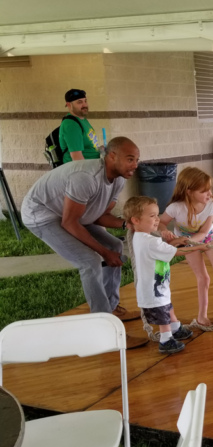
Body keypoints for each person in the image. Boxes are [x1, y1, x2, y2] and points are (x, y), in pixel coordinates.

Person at [20, 137, 146, 348]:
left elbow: (98, 215)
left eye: (137, 160)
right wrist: (104, 254)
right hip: (42, 215)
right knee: (89, 261)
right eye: (130, 159)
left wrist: (128, 225)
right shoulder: (86, 177)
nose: (135, 165)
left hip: (72, 215)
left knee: (115, 245)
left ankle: (111, 307)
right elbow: (70, 222)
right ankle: (103, 327)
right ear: (112, 156)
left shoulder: (119, 180)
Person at [160, 167, 213, 334]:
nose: (209, 194)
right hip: (186, 239)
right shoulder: (176, 207)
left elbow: (204, 232)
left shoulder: (211, 204)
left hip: (206, 237)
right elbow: (162, 222)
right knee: (203, 277)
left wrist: (190, 242)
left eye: (209, 189)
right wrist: (165, 231)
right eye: (204, 191)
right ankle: (202, 315)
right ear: (189, 191)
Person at [124, 196, 206, 354]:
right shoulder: (151, 242)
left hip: (156, 286)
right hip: (154, 289)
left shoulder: (141, 237)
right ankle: (166, 339)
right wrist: (201, 247)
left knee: (168, 308)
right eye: (152, 216)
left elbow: (162, 248)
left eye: (157, 214)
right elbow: (177, 253)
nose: (157, 219)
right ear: (135, 220)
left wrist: (176, 241)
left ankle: (175, 328)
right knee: (163, 314)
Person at [60, 88, 102, 163]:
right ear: (69, 105)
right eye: (79, 102)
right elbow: (77, 159)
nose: (84, 105)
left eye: (85, 101)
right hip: (82, 170)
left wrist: (100, 150)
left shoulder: (82, 119)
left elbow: (89, 147)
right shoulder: (71, 124)